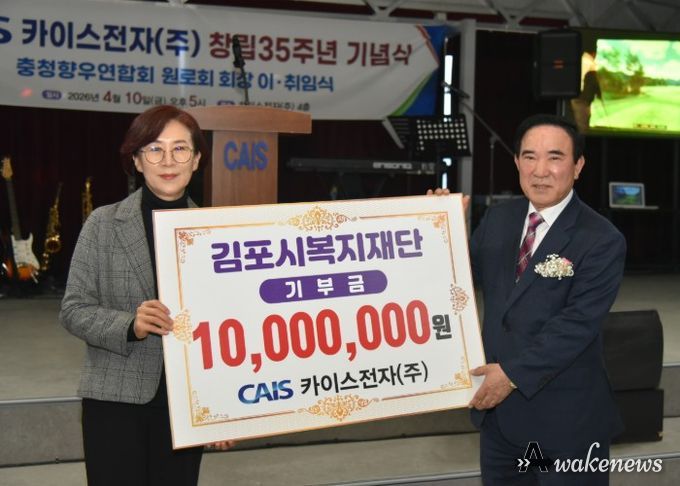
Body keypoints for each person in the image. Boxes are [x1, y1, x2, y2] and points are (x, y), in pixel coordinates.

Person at [434, 113, 625, 484]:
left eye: (555, 157)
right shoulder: (498, 219)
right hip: (500, 423)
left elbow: (576, 326)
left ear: (578, 166)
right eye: (529, 157)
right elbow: (458, 283)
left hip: (566, 424)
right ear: (516, 162)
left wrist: (510, 376)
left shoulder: (601, 239)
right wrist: (441, 228)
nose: (540, 171)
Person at [60, 105, 233, 486]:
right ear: (137, 161)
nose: (167, 160)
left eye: (180, 149)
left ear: (196, 160)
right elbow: (73, 309)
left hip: (186, 408)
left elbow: (229, 327)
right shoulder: (103, 223)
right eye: (154, 149)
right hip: (114, 400)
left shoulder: (216, 234)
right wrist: (130, 324)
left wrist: (224, 408)